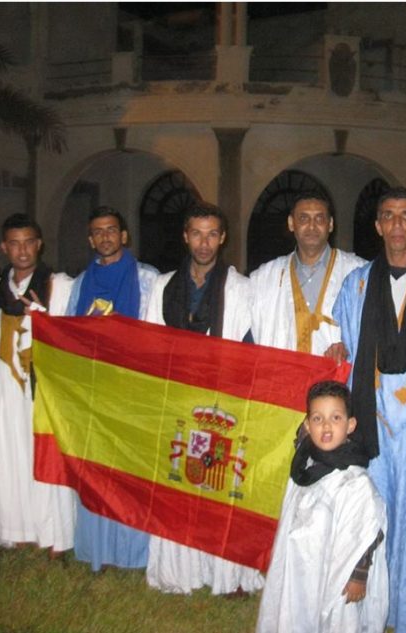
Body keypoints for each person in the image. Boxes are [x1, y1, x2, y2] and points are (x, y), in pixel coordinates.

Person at [334, 186, 406, 633]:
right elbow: (345, 351)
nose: (398, 225)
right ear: (379, 225)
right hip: (373, 422)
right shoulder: (356, 284)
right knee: (372, 517)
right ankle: (367, 614)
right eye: (389, 216)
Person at [144, 201, 262, 595]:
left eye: (212, 234)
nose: (204, 242)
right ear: (185, 236)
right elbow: (151, 343)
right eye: (197, 233)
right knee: (179, 483)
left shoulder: (240, 289)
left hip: (220, 402)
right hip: (177, 397)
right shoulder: (163, 285)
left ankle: (225, 574)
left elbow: (248, 347)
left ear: (223, 237)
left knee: (218, 485)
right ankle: (181, 572)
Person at [0, 213, 74, 553]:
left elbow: (71, 342)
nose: (22, 250)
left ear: (39, 244)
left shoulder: (60, 286)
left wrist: (44, 323)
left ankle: (52, 535)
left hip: (41, 391)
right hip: (4, 392)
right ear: (3, 247)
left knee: (42, 456)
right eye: (14, 243)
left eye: (28, 242)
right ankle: (13, 530)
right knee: (8, 456)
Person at [67, 206, 159, 571]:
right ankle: (99, 552)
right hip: (94, 390)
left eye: (111, 230)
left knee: (132, 474)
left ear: (124, 236)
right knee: (96, 472)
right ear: (91, 239)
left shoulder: (148, 279)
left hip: (134, 389)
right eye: (98, 231)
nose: (105, 237)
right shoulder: (79, 284)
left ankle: (133, 554)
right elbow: (71, 334)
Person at [256, 380, 388, 633]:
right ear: (307, 425)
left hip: (336, 573)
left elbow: (369, 529)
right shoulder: (305, 467)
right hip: (301, 563)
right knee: (297, 608)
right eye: (317, 419)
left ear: (350, 425)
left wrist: (358, 575)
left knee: (336, 619)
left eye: (336, 418)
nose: (326, 426)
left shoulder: (354, 481)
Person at [249, 191, 365, 357]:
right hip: (284, 378)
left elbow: (374, 334)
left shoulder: (358, 273)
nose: (312, 226)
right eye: (303, 218)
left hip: (339, 380)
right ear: (291, 223)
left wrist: (349, 348)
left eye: (319, 219)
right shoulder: (265, 277)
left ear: (330, 224)